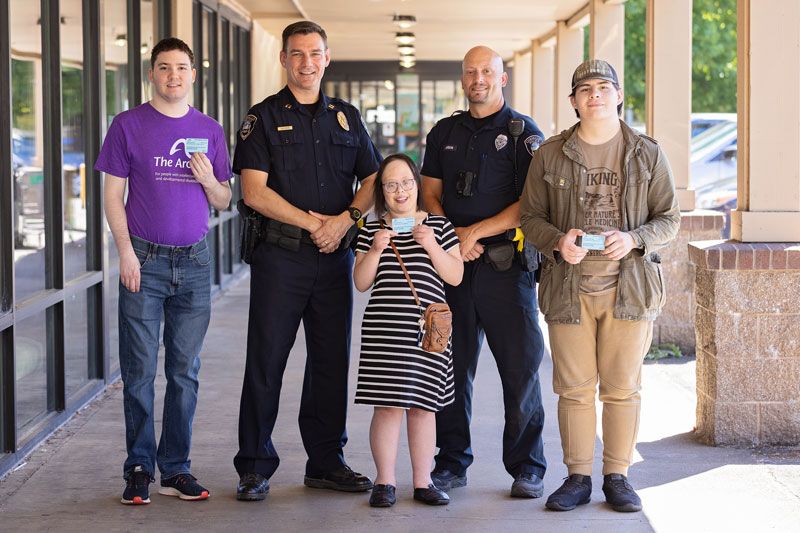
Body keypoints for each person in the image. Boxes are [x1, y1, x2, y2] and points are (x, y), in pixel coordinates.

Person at [519, 59, 680, 513]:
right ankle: (577, 477)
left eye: (604, 87)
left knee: (622, 387)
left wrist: (633, 238)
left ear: (619, 95)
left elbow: (669, 219)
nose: (595, 94)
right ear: (573, 101)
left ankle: (618, 476)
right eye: (585, 89)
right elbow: (530, 217)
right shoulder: (550, 154)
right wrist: (557, 242)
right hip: (569, 289)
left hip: (630, 289)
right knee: (573, 387)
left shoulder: (647, 153)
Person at [232, 20, 382, 501]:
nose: (306, 63)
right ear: (283, 59)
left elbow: (374, 179)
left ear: (327, 57)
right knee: (267, 360)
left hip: (334, 259)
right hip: (281, 258)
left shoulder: (346, 117)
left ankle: (325, 462)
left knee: (331, 362)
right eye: (296, 54)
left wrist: (347, 219)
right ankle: (254, 465)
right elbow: (253, 192)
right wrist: (315, 223)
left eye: (314, 53)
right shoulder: (262, 117)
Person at [97, 37, 232, 505]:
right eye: (164, 67)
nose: (173, 75)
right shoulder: (127, 125)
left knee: (184, 372)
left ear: (194, 75)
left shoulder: (211, 130)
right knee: (138, 371)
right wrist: (125, 252)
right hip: (144, 261)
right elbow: (113, 195)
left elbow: (222, 200)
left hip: (194, 262)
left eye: (181, 68)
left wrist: (209, 180)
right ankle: (138, 467)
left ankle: (175, 468)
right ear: (152, 74)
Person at [420, 46, 547, 498]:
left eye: (487, 72)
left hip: (505, 268)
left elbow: (532, 203)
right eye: (471, 72)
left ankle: (527, 467)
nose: (479, 79)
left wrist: (473, 233)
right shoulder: (444, 132)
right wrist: (454, 235)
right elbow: (429, 192)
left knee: (521, 370)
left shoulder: (522, 134)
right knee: (449, 368)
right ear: (463, 79)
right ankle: (451, 463)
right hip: (453, 268)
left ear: (502, 78)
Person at [353, 154, 464, 507]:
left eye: (406, 182)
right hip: (385, 332)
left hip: (428, 334)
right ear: (381, 192)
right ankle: (384, 482)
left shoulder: (440, 228)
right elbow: (360, 282)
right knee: (387, 407)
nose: (400, 191)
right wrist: (374, 250)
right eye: (390, 185)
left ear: (417, 184)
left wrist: (431, 244)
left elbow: (455, 275)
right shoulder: (372, 230)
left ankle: (422, 482)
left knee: (423, 408)